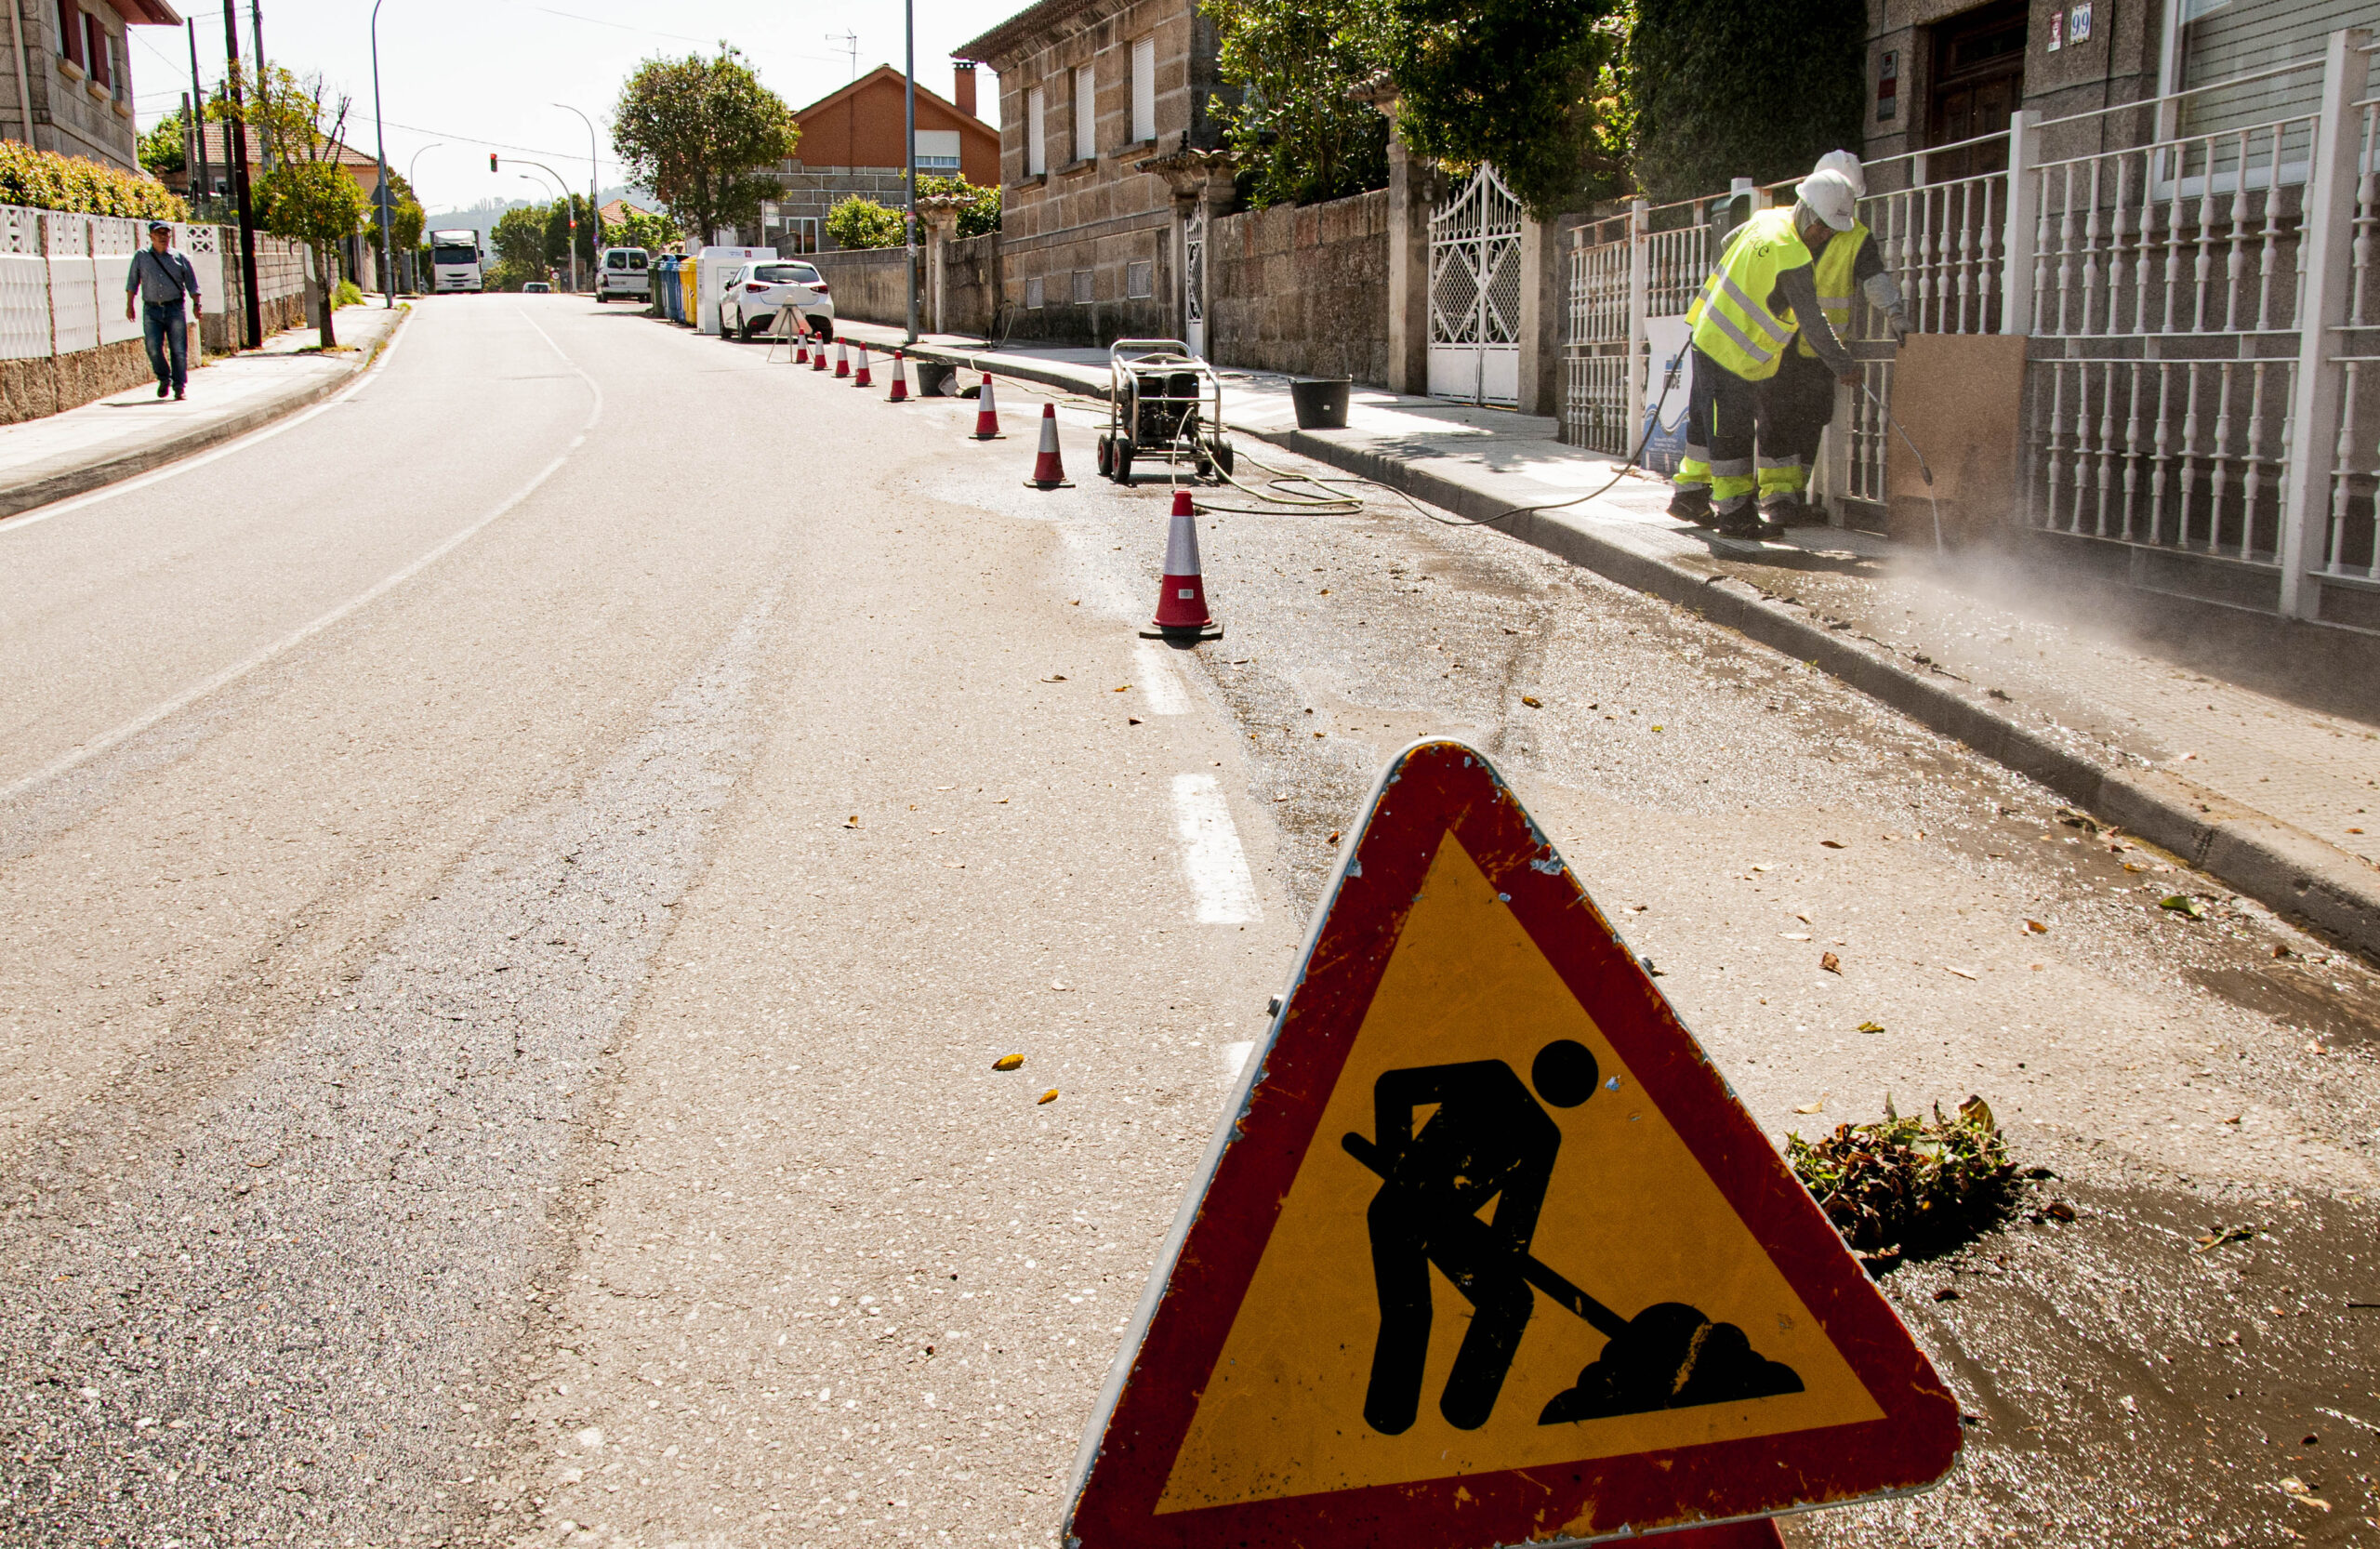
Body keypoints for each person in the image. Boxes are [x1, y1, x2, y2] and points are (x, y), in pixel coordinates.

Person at [1342, 1039, 1600, 1435]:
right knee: (1410, 1312)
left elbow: (1516, 1226)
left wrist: (1504, 1258)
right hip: (1399, 1213)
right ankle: (1389, 1415)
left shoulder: (1543, 1136)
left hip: (1447, 1226)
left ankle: (1465, 1412)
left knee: (1511, 1300)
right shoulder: (1489, 1079)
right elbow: (1393, 1087)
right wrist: (1396, 1162)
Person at [1667, 169, 1862, 539]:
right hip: (1732, 352)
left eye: (1831, 231)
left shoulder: (1766, 219)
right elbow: (1814, 324)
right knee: (1731, 432)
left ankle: (1690, 494)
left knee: (1704, 425)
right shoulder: (1792, 256)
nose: (1824, 236)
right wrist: (1843, 365)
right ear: (1806, 211)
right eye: (1822, 227)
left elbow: (1727, 242)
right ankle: (1736, 513)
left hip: (1708, 332)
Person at [1754, 151, 1911, 526]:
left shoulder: (1857, 237)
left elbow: (1874, 280)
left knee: (1810, 421)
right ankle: (1778, 498)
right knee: (1775, 421)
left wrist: (1896, 313)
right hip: (1779, 343)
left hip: (1820, 350)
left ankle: (1792, 496)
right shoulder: (1783, 227)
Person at [125, 221, 203, 402]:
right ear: (151, 236)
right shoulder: (141, 257)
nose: (162, 237)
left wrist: (197, 304)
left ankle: (179, 387)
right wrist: (129, 305)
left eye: (166, 233)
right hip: (152, 309)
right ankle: (163, 377)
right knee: (152, 347)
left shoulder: (179, 257)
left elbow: (192, 282)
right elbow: (132, 282)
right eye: (158, 233)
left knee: (178, 349)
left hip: (174, 308)